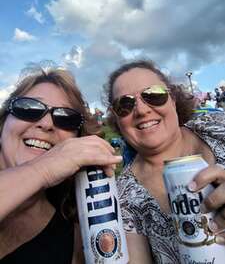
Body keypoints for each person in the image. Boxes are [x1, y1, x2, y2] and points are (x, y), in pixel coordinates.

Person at [103, 60, 225, 263]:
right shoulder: (123, 197)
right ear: (116, 119)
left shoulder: (217, 127)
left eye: (154, 95)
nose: (142, 110)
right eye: (124, 104)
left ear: (173, 100)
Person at [0, 66, 122, 263]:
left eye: (66, 118)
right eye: (28, 108)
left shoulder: (72, 233)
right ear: (5, 120)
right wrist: (43, 169)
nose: (46, 124)